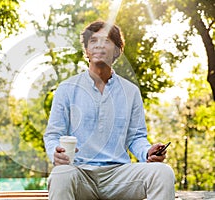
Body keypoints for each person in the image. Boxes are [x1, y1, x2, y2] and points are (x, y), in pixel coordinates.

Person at [43, 20, 175, 200]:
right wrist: (55, 154)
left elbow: (136, 137)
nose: (99, 45)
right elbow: (52, 135)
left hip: (119, 175)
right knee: (60, 175)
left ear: (117, 50)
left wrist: (147, 152)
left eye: (106, 41)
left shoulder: (131, 91)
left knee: (163, 173)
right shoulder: (66, 88)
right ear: (87, 51)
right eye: (93, 41)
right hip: (80, 174)